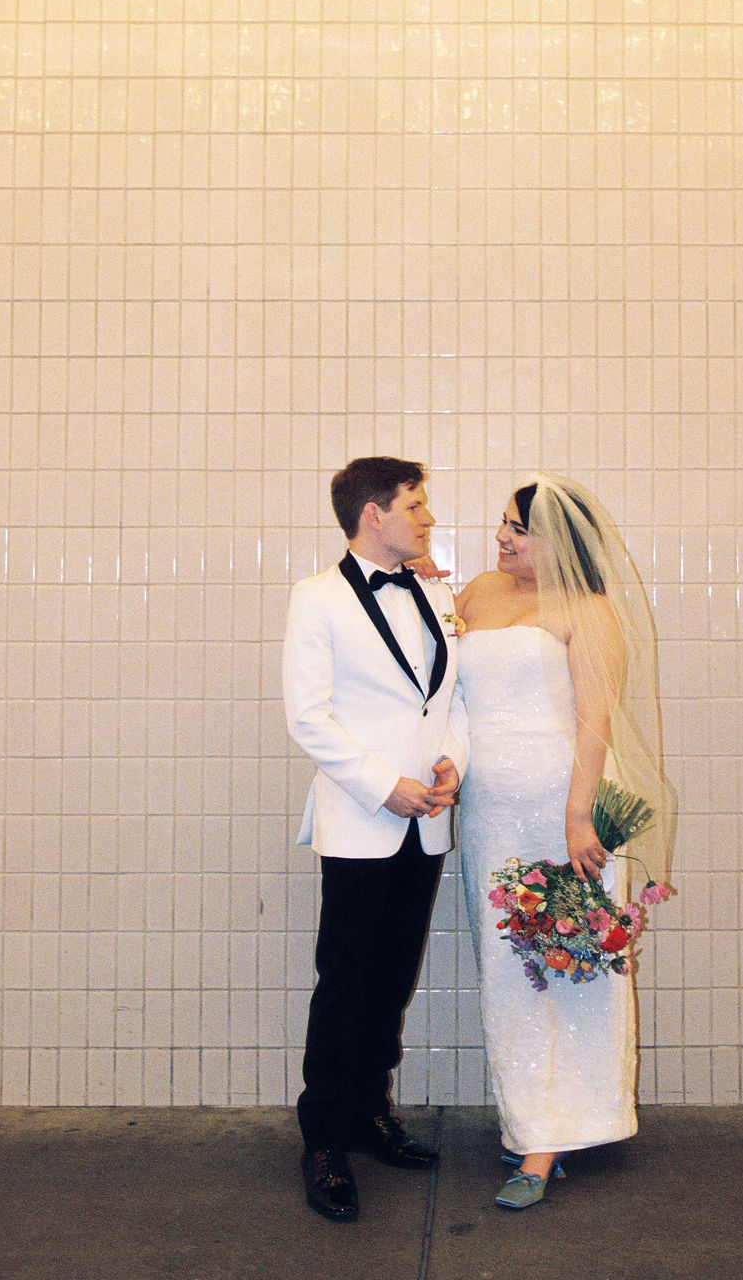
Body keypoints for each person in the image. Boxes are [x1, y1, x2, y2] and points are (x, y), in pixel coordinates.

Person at [454, 474, 676, 1210]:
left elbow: (594, 720)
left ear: (556, 538)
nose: (502, 537)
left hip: (563, 807)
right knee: (507, 964)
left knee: (570, 963)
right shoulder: (478, 593)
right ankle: (530, 1116)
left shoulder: (590, 608)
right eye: (502, 523)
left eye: (518, 528)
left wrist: (579, 817)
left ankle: (553, 1138)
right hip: (491, 811)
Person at [282, 456, 468, 1223]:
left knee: (391, 979)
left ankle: (369, 1113)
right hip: (363, 819)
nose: (427, 518)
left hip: (426, 822)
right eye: (415, 505)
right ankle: (324, 1140)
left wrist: (454, 762)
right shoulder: (317, 598)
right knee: (346, 981)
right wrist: (383, 784)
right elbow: (307, 716)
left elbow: (449, 701)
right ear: (373, 515)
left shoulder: (436, 591)